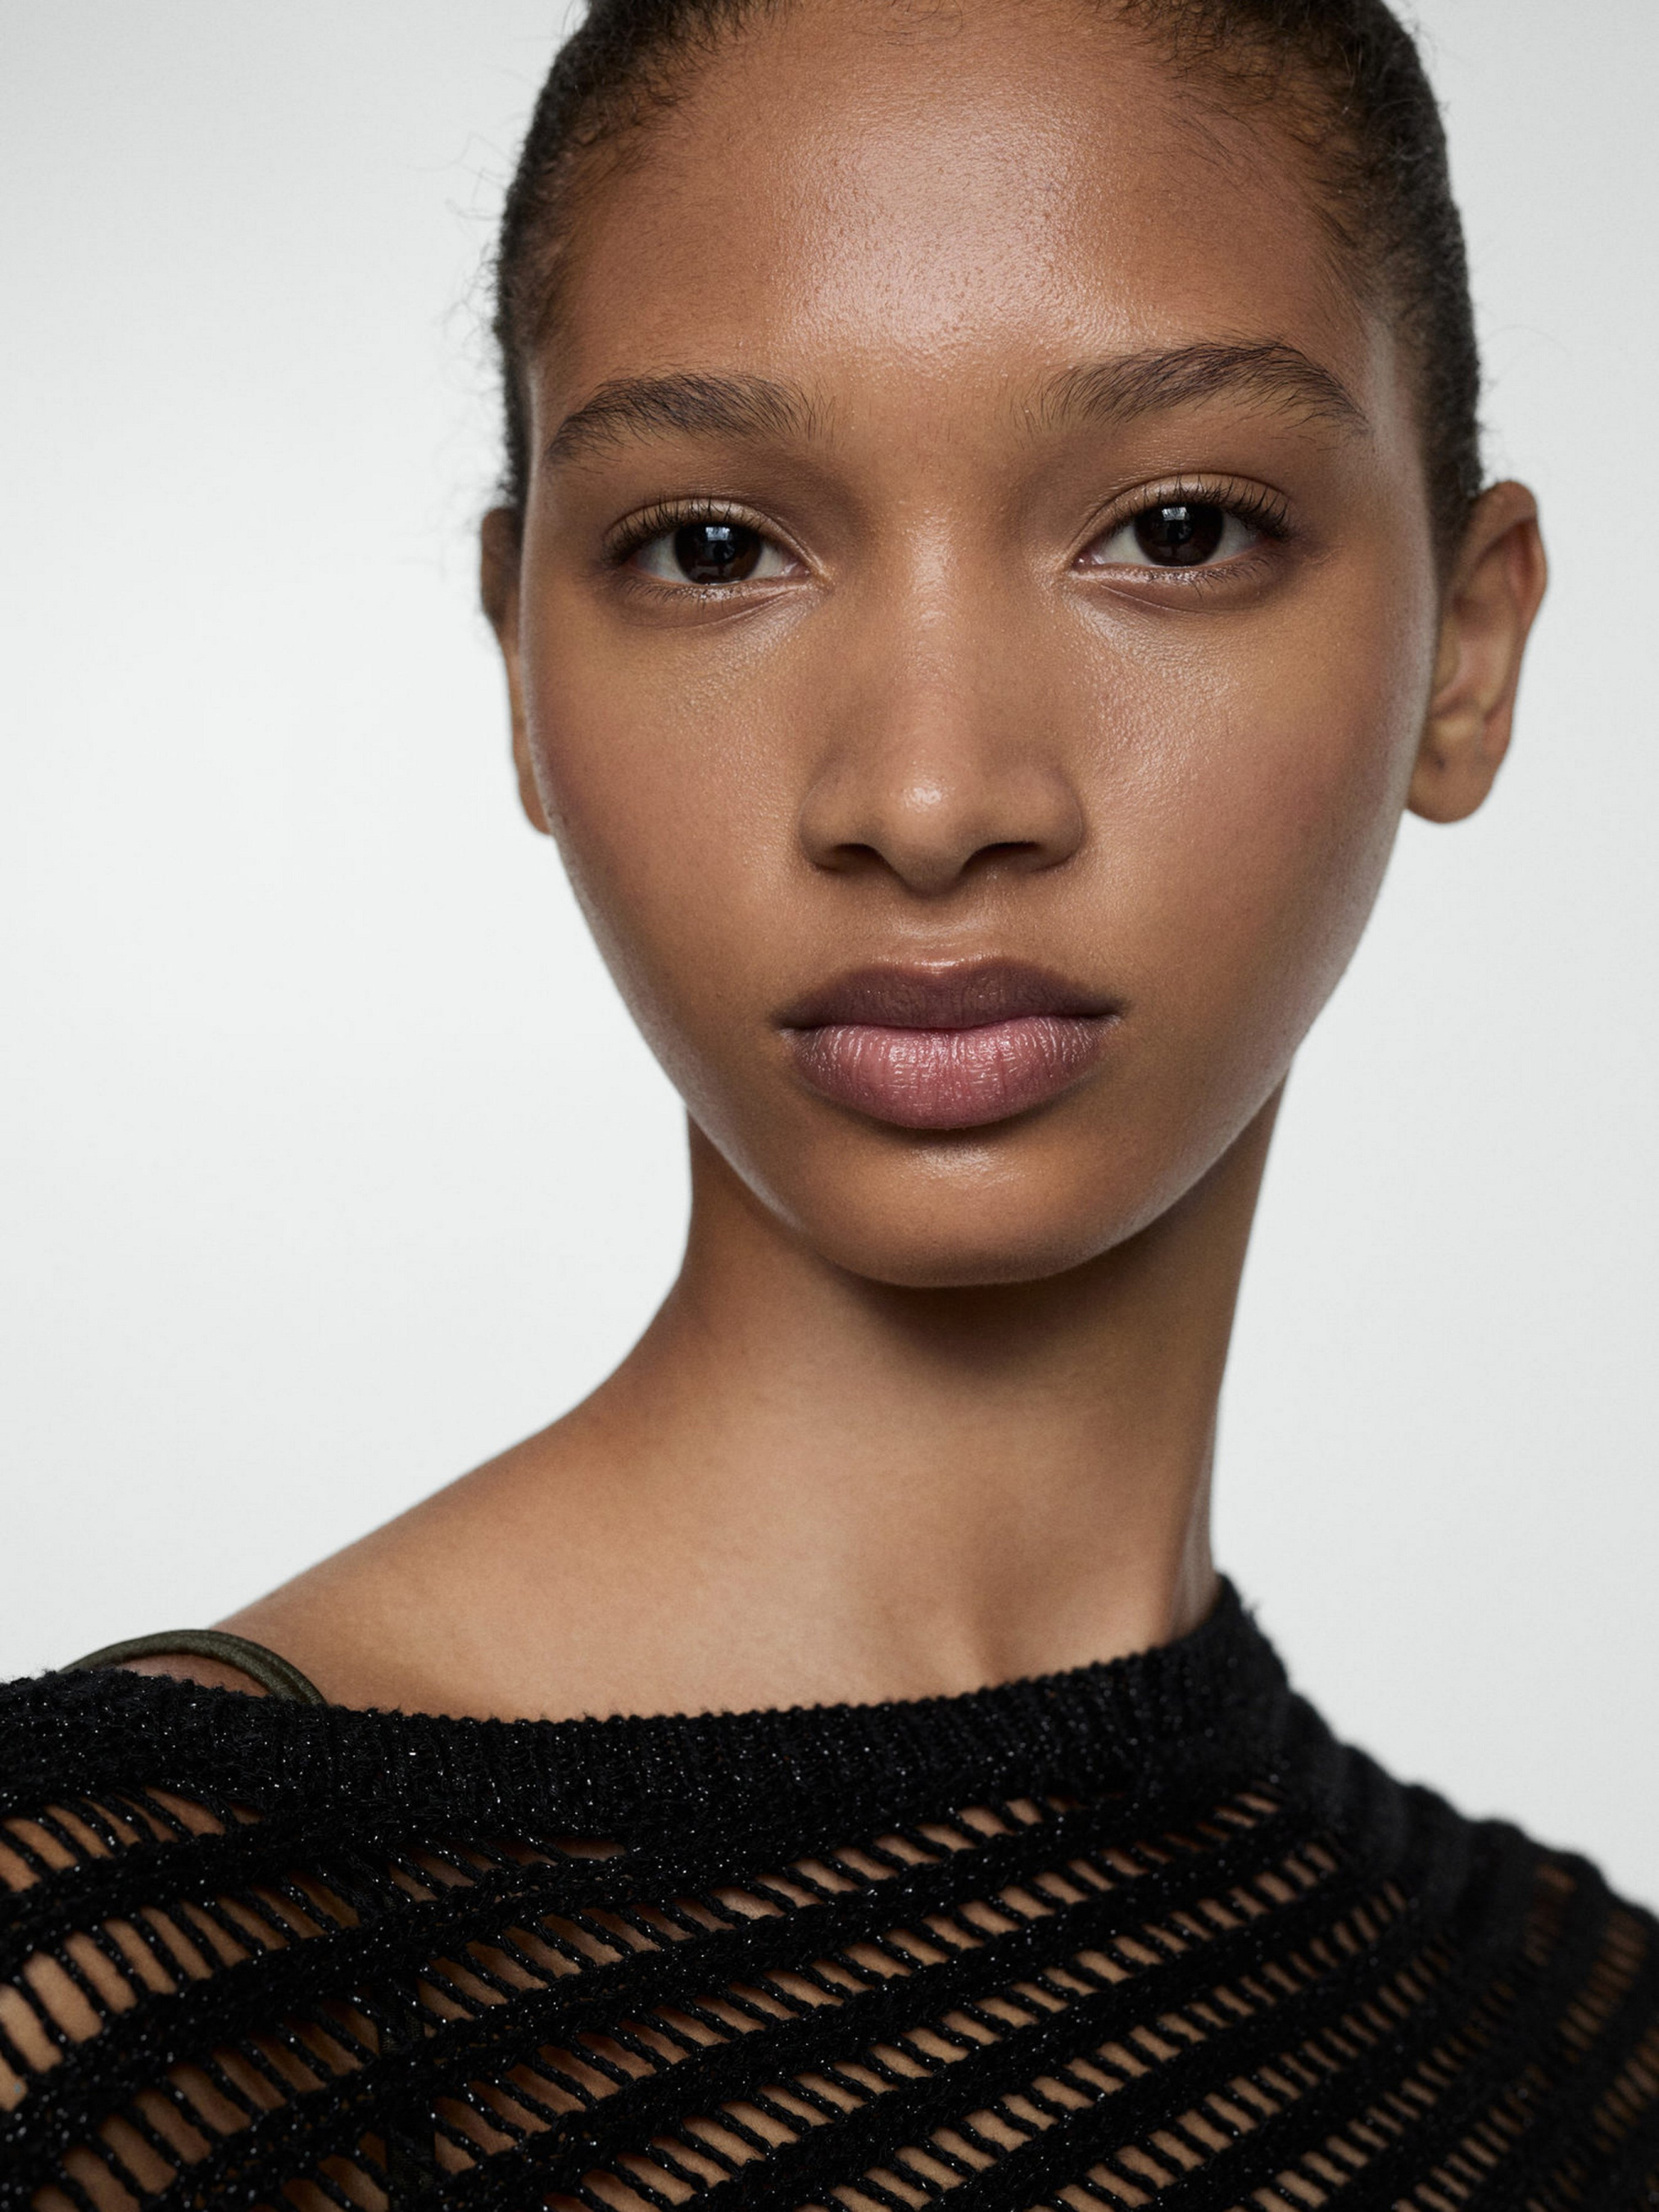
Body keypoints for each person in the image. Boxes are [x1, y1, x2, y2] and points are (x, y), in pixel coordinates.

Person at [2, 0, 1654, 2204]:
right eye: (712, 549)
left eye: (1174, 529)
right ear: (521, 669)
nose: (931, 796)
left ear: (1468, 648)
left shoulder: (1585, 2052)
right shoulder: (110, 1980)